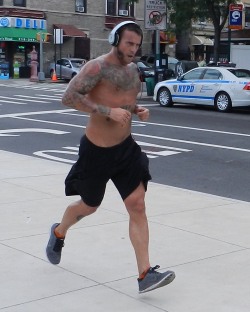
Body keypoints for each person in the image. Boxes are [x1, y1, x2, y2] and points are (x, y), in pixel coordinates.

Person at [46, 21, 175, 294]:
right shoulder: (97, 67)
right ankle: (59, 232)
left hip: (125, 149)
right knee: (89, 205)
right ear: (115, 40)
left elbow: (123, 103)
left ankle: (145, 274)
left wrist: (137, 108)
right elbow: (68, 97)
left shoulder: (133, 71)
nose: (133, 49)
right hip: (96, 151)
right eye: (129, 43)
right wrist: (107, 111)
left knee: (137, 204)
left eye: (137, 45)